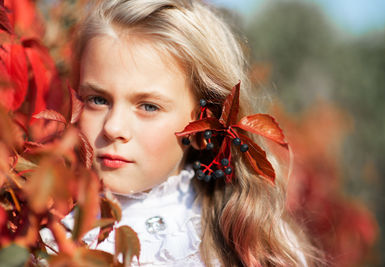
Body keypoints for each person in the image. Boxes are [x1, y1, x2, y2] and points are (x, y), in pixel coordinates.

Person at [71, 0, 320, 266]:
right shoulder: (46, 230)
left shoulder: (243, 247)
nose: (113, 127)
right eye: (98, 100)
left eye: (148, 106)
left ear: (205, 123)